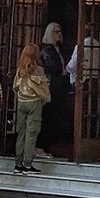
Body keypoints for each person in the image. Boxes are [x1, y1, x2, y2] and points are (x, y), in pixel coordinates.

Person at [12, 42, 51, 174]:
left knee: (21, 134)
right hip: (34, 103)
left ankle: (18, 164)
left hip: (21, 102)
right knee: (31, 134)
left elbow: (15, 87)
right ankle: (27, 164)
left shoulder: (20, 69)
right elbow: (44, 88)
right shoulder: (38, 70)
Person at [38, 23, 70, 157]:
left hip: (60, 87)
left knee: (57, 118)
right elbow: (53, 67)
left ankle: (53, 146)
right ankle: (41, 146)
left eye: (60, 31)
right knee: (47, 117)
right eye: (56, 32)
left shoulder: (60, 49)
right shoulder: (47, 50)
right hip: (51, 87)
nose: (59, 34)